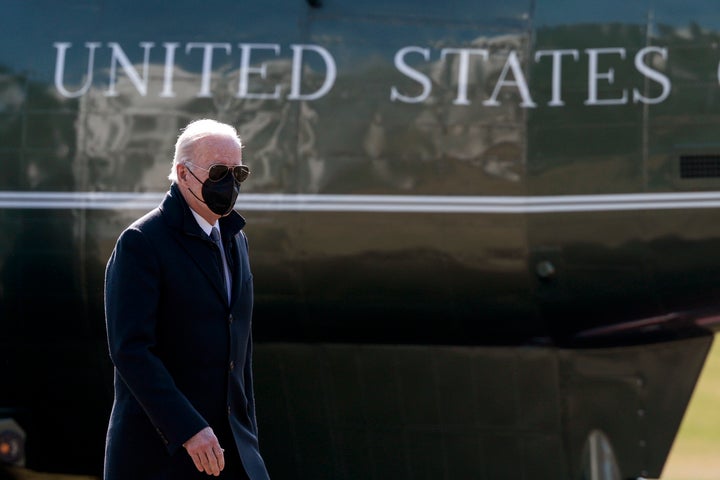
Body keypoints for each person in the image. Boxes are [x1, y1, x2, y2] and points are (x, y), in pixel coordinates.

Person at [103, 119, 270, 479]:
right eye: (219, 171)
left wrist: (248, 435)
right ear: (182, 173)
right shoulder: (142, 242)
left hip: (231, 453)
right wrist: (188, 429)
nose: (230, 184)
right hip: (162, 456)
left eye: (238, 173)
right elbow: (130, 350)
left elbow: (239, 350)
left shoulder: (235, 240)